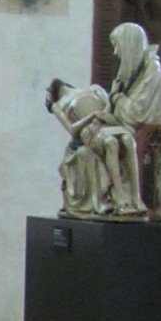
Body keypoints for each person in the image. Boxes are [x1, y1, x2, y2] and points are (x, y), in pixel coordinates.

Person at [45, 79, 146, 219]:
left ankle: (136, 198)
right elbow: (72, 130)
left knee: (129, 141)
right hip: (89, 131)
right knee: (111, 143)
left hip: (106, 123)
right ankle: (120, 200)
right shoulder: (58, 105)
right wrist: (92, 116)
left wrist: (99, 119)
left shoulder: (94, 88)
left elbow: (108, 104)